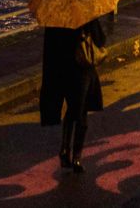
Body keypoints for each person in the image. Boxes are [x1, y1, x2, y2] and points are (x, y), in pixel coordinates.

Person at [40, 17, 106, 174]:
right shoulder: (85, 14)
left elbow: (51, 47)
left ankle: (65, 148)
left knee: (72, 108)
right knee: (81, 112)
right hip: (81, 69)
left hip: (62, 69)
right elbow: (100, 39)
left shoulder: (55, 19)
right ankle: (76, 156)